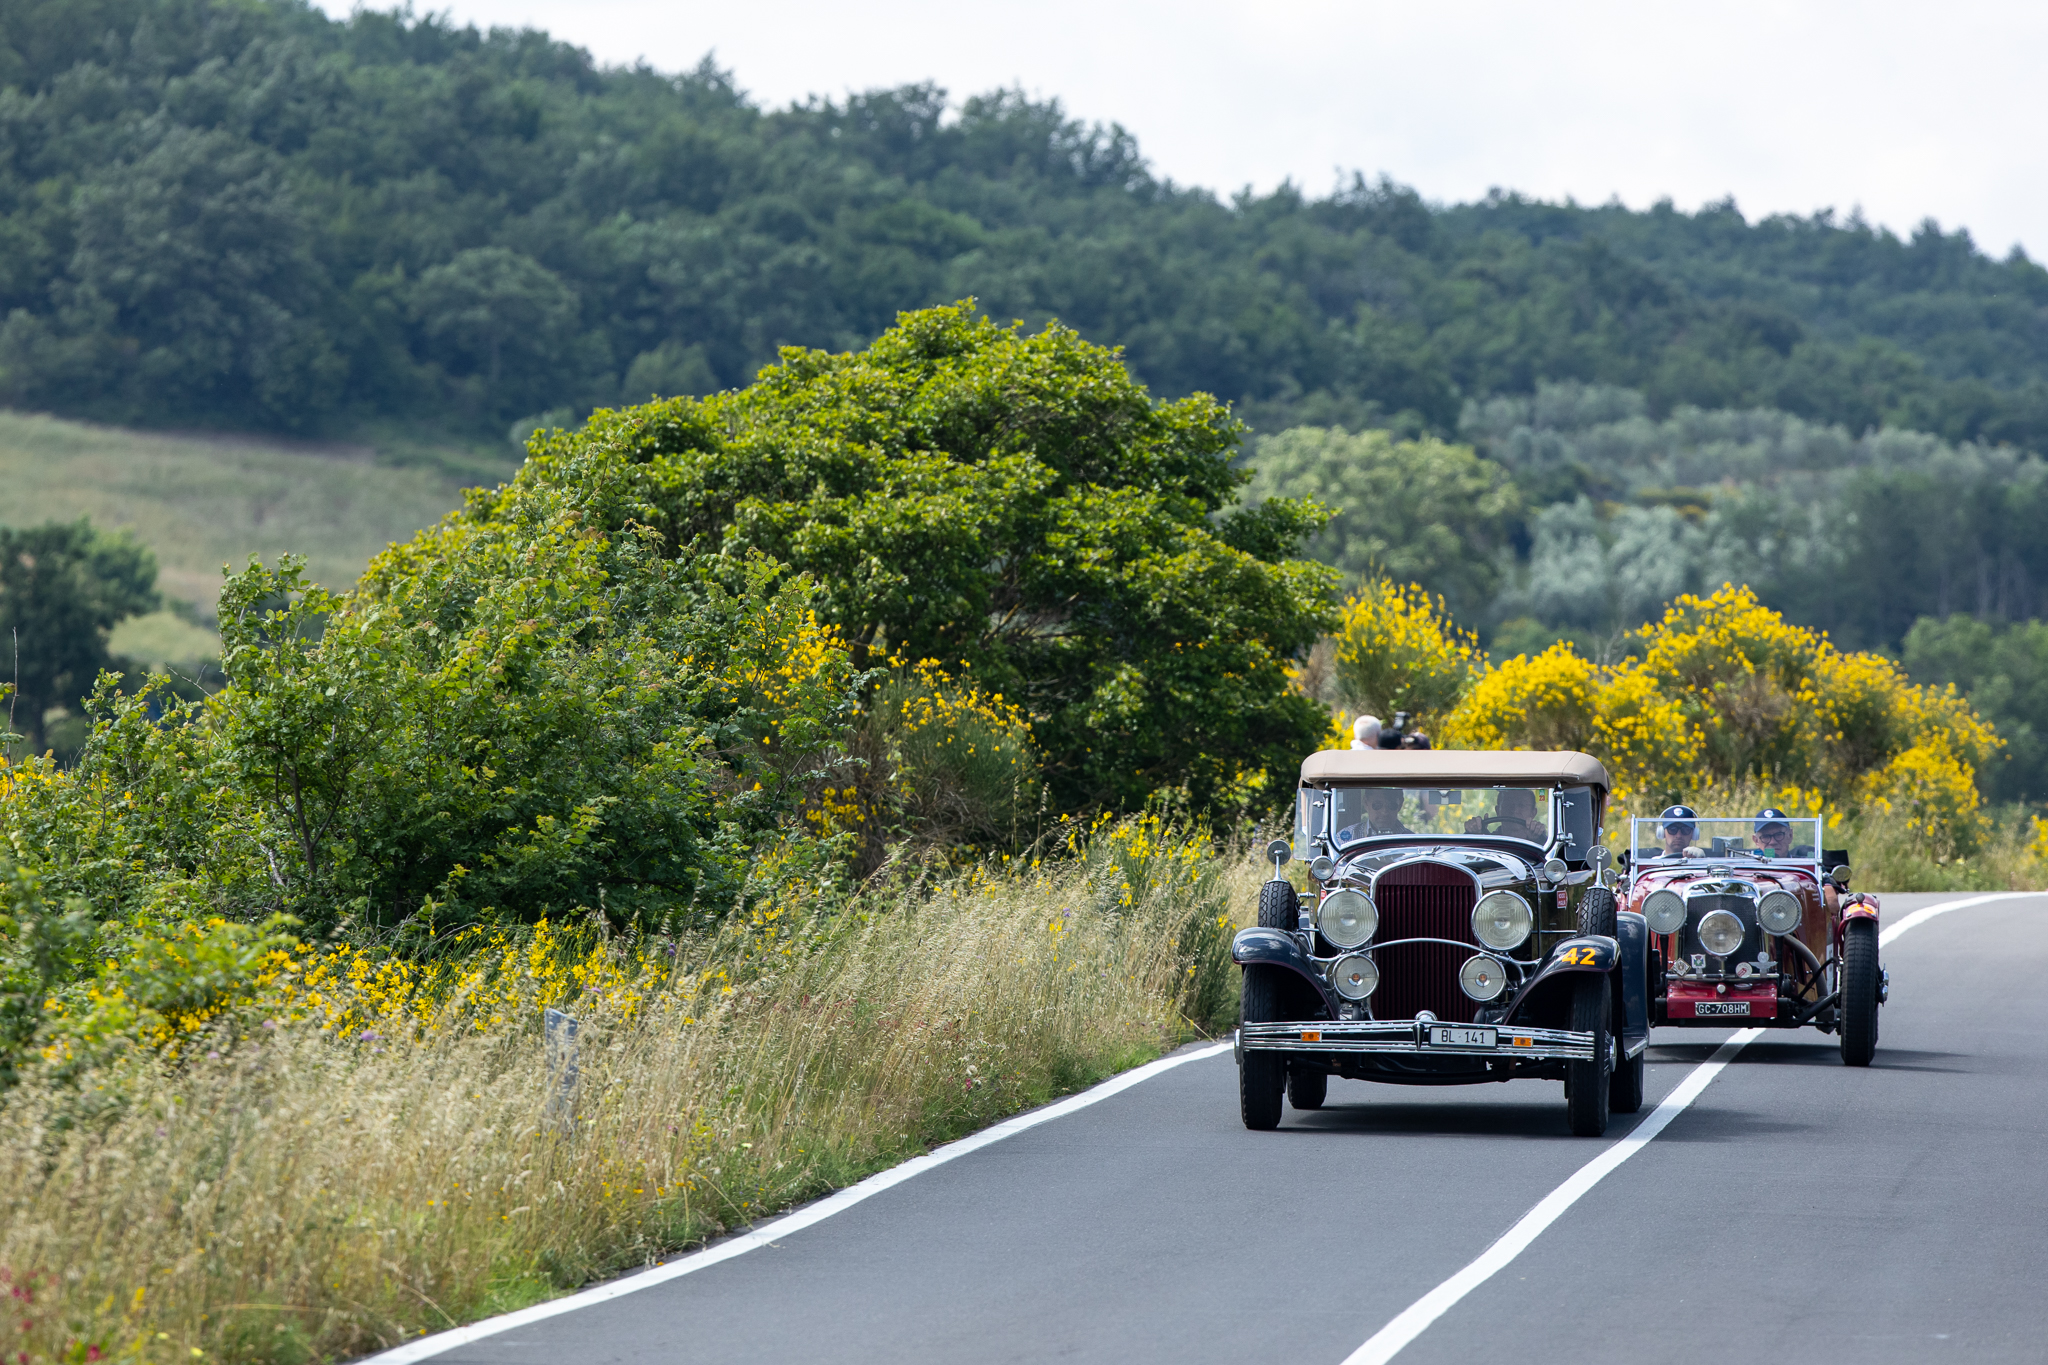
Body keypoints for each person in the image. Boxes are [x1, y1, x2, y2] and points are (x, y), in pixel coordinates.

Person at [1466, 788, 1547, 841]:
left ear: (1533, 813)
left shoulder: (1542, 843)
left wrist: (1537, 839)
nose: (1514, 811)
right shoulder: (1489, 842)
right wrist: (1475, 833)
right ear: (1498, 811)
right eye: (1508, 805)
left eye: (1522, 806)